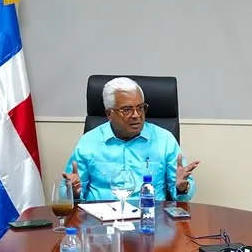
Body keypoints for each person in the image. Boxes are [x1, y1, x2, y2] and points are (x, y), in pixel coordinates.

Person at [63, 77, 199, 202]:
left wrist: (183, 188)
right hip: (100, 222)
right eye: (127, 110)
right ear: (109, 113)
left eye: (140, 108)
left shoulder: (164, 140)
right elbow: (68, 191)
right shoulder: (88, 142)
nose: (136, 115)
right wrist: (72, 191)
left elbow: (183, 195)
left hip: (149, 219)